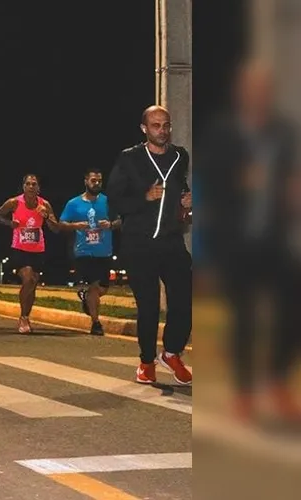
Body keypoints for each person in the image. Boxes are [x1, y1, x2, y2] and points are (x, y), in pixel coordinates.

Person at [199, 61, 300, 419]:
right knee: (245, 316)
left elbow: (288, 176)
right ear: (241, 93)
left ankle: (276, 380)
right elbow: (209, 185)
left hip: (273, 238)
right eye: (252, 88)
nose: (259, 95)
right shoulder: (223, 132)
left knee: (293, 305)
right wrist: (239, 181)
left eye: (265, 89)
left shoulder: (282, 132)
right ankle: (244, 392)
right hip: (234, 241)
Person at [106, 105, 192, 386]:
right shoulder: (129, 158)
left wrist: (186, 199)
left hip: (171, 240)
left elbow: (181, 185)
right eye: (156, 125)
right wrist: (144, 197)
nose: (162, 131)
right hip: (138, 242)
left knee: (186, 296)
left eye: (166, 125)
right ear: (144, 128)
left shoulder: (180, 156)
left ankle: (171, 352)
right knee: (149, 305)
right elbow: (115, 200)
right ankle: (146, 361)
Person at [0, 174, 60, 333]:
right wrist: (10, 223)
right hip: (19, 249)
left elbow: (56, 228)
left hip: (38, 250)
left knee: (33, 284)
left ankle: (26, 316)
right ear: (23, 187)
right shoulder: (14, 202)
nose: (31, 187)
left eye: (34, 184)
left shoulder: (45, 204)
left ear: (38, 188)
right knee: (28, 278)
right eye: (28, 184)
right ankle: (23, 317)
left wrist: (46, 217)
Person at [59, 168, 121, 336]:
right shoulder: (74, 203)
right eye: (93, 180)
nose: (96, 184)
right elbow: (61, 224)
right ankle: (96, 322)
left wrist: (110, 225)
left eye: (99, 181)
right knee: (94, 286)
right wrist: (75, 226)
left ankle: (88, 299)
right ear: (86, 181)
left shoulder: (108, 202)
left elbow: (120, 220)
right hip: (83, 252)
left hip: (104, 251)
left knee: (102, 289)